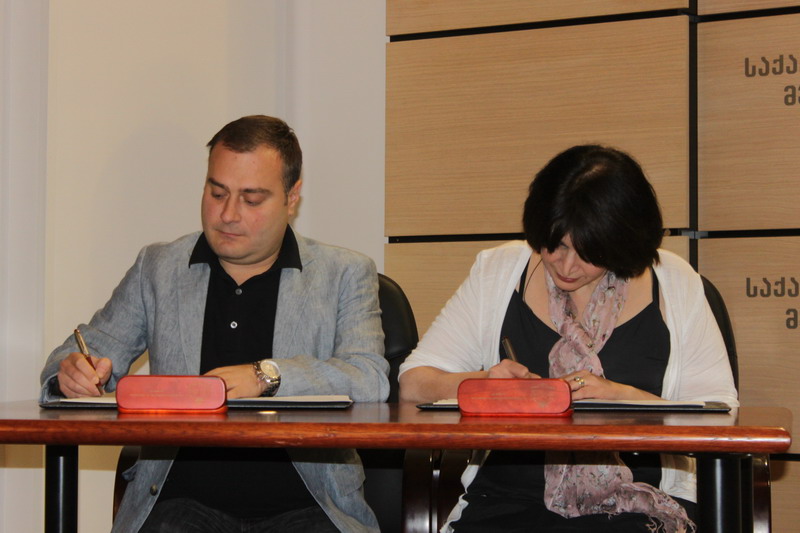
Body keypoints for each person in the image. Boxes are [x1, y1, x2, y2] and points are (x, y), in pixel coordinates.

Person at [39, 115, 389, 533]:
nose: (227, 214)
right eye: (217, 192)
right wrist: (72, 374)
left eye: (251, 199)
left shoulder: (344, 273)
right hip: (180, 503)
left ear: (292, 197)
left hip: (310, 506)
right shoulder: (158, 267)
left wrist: (266, 376)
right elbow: (84, 350)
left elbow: (369, 377)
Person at [399, 145, 738, 533]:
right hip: (506, 502)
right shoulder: (498, 272)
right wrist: (484, 384)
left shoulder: (676, 283)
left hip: (634, 507)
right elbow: (413, 384)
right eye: (555, 245)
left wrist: (626, 399)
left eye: (589, 252)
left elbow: (722, 417)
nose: (566, 266)